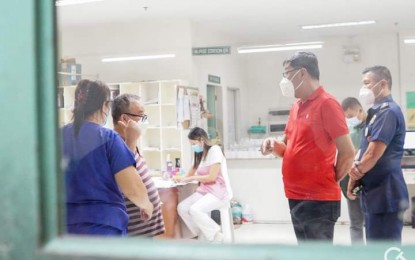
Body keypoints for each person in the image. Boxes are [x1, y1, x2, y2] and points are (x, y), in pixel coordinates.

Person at [261, 52, 355, 243]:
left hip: (318, 200)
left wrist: (328, 180)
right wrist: (273, 145)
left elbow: (348, 152)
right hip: (295, 195)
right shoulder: (296, 106)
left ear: (302, 73)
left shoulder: (327, 104)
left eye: (287, 74)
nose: (284, 80)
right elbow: (288, 148)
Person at [62, 79, 153, 236]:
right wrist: (146, 205)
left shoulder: (55, 137)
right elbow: (132, 188)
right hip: (102, 227)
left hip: (63, 226)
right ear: (104, 106)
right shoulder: (108, 138)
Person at [348, 66, 409, 243]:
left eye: (367, 83)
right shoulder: (376, 112)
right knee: (376, 248)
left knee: (385, 251)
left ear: (382, 84)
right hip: (376, 193)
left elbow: (373, 154)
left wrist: (354, 175)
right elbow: (365, 148)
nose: (363, 89)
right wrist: (357, 172)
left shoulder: (388, 112)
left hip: (386, 194)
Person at [112, 93, 165, 237]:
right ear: (124, 118)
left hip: (145, 227)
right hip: (132, 230)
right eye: (141, 116)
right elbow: (125, 175)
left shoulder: (130, 141)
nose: (144, 120)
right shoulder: (114, 144)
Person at [175, 127, 230, 242]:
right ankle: (203, 234)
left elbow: (212, 177)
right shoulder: (199, 154)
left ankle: (215, 235)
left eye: (194, 143)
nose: (193, 146)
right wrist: (179, 179)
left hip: (218, 191)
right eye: (191, 144)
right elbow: (190, 172)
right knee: (182, 208)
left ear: (201, 140)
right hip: (204, 191)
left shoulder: (214, 150)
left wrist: (192, 177)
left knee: (195, 210)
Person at [340, 97, 367, 244]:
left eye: (350, 116)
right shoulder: (348, 130)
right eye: (346, 117)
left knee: (370, 221)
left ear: (360, 110)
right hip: (351, 179)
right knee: (356, 222)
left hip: (369, 178)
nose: (349, 120)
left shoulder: (373, 126)